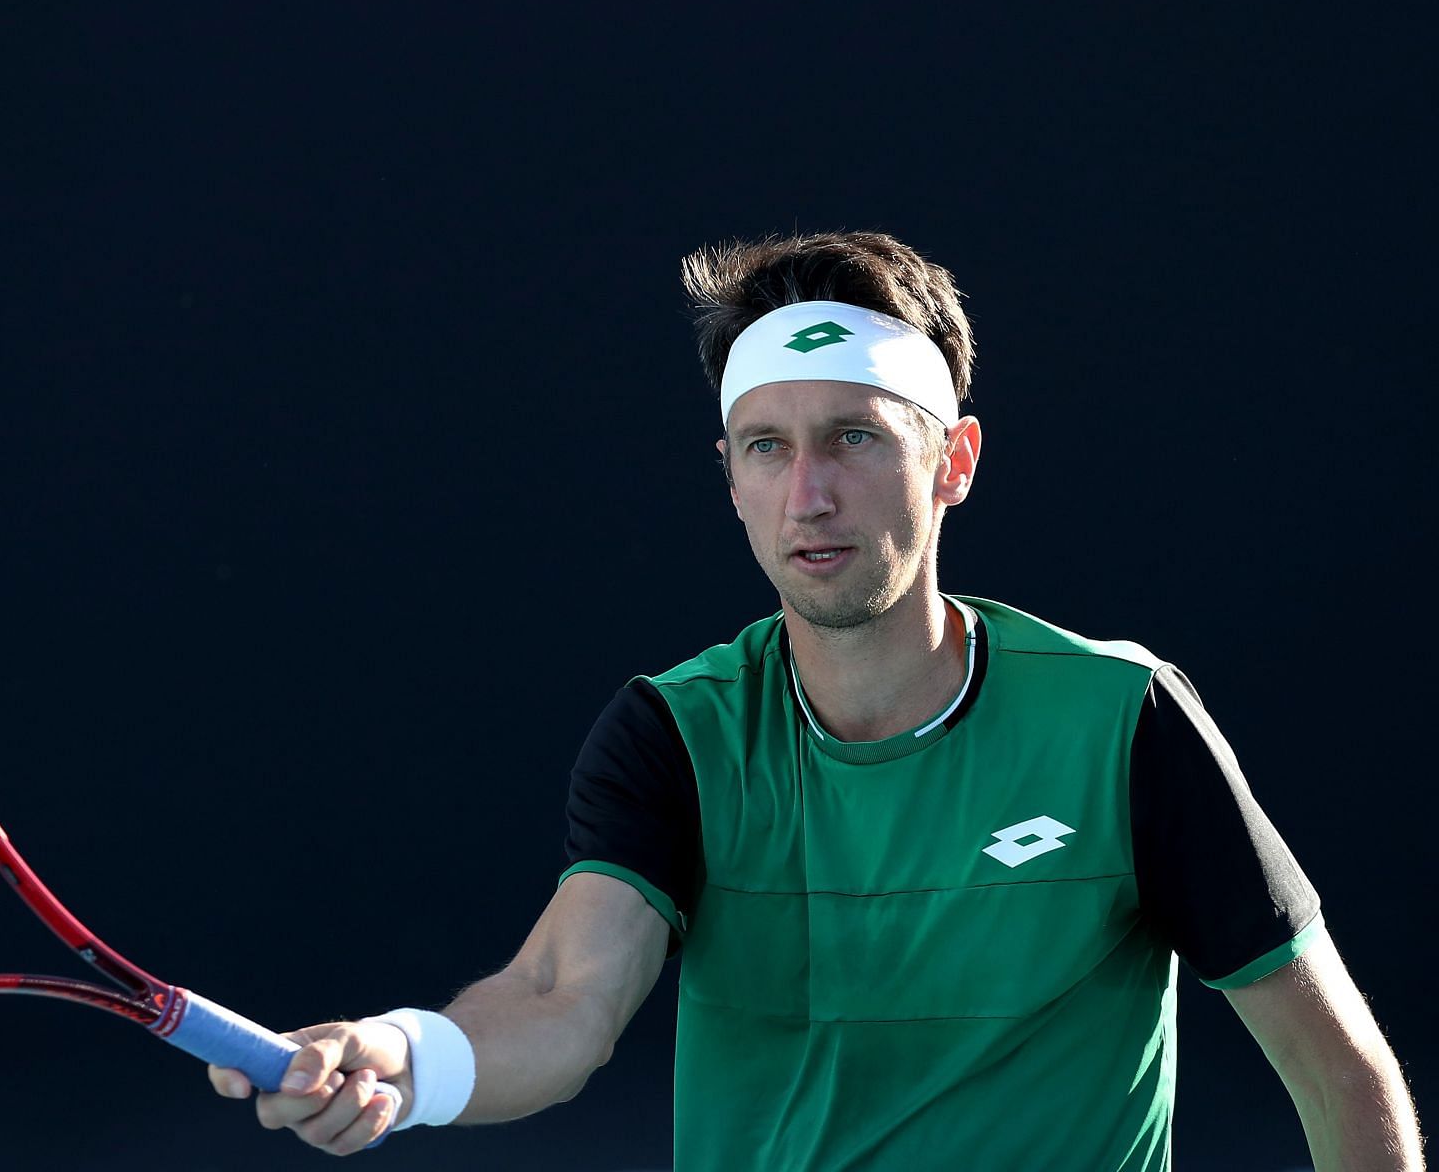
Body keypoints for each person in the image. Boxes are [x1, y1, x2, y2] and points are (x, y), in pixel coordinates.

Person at [207, 230, 1424, 1169]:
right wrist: (402, 1056)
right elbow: (560, 1001)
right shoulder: (677, 735)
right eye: (768, 446)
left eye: (854, 437)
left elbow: (1338, 1076)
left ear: (953, 462)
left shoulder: (1123, 720)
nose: (810, 496)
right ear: (728, 477)